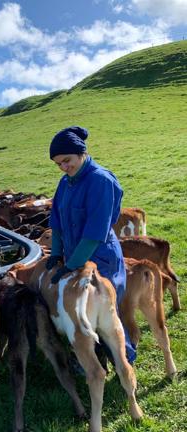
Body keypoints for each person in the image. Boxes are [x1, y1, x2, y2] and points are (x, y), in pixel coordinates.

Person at [47, 125, 136, 363]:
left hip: (101, 256)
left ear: (82, 153)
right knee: (83, 308)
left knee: (107, 313)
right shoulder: (65, 183)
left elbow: (95, 232)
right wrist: (56, 254)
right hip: (74, 257)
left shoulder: (100, 181)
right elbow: (56, 221)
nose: (64, 167)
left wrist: (72, 264)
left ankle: (124, 361)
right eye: (59, 164)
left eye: (67, 160)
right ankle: (93, 358)